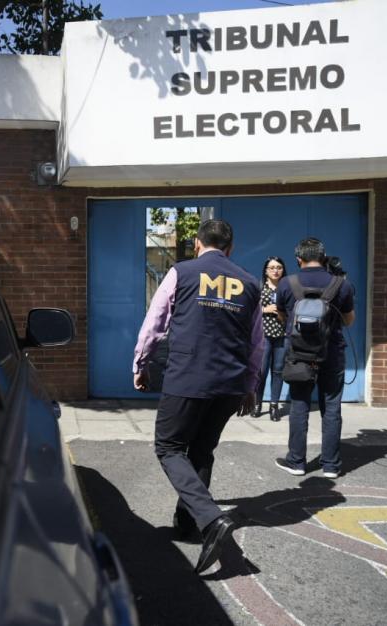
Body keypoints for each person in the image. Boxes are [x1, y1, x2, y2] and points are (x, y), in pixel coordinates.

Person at [132, 219, 262, 575]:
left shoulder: (182, 272)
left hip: (188, 377)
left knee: (169, 447)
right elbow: (257, 344)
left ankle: (209, 519)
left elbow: (155, 323)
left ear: (196, 242)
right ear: (230, 248)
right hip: (230, 383)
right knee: (202, 450)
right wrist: (250, 386)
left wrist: (141, 363)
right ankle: (187, 522)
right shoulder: (250, 283)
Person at [274, 238, 355, 479]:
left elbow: (282, 316)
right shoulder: (342, 284)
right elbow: (349, 320)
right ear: (323, 256)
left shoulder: (287, 284)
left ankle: (296, 461)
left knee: (299, 404)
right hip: (332, 353)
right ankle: (331, 465)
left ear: (298, 259)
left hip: (299, 354)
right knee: (331, 406)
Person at [251, 256, 288, 421]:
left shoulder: (287, 288)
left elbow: (294, 309)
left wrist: (283, 314)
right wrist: (264, 309)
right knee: (261, 371)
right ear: (266, 271)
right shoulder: (259, 288)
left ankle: (274, 406)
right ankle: (257, 404)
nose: (275, 270)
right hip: (264, 336)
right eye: (272, 267)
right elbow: (249, 310)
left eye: (279, 267)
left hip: (282, 335)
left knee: (278, 371)